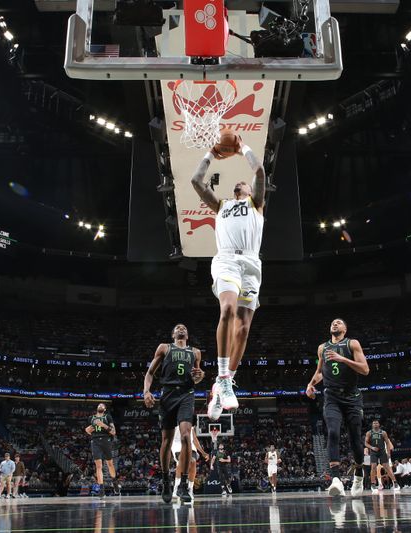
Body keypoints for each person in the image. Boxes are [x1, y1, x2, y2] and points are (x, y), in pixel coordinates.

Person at [190, 136, 266, 420]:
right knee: (228, 310)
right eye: (236, 185)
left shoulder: (257, 204)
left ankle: (223, 386)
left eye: (242, 184)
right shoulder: (221, 205)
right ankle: (223, 378)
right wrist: (210, 153)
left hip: (251, 263)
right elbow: (197, 182)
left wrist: (243, 146)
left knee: (244, 328)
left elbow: (259, 172)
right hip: (226, 261)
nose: (239, 185)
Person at [305, 318, 369, 497]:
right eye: (332, 322)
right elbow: (319, 372)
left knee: (355, 439)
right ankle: (335, 479)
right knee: (332, 432)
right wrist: (310, 384)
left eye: (339, 322)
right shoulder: (322, 348)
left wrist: (342, 359)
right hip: (331, 396)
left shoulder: (352, 344)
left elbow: (365, 369)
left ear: (345, 329)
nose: (335, 324)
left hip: (352, 397)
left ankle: (358, 474)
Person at [143, 323, 204, 504]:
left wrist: (199, 376)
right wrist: (146, 392)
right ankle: (166, 481)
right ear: (173, 334)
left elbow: (198, 376)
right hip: (167, 394)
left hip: (186, 394)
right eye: (177, 327)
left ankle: (183, 483)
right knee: (167, 441)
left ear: (188, 334)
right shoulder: (164, 348)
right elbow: (150, 373)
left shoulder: (196, 352)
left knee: (186, 437)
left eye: (184, 327)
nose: (181, 328)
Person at [85, 403, 117, 497]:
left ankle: (114, 482)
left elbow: (113, 432)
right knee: (98, 466)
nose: (100, 405)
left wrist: (103, 425)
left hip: (106, 440)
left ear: (105, 409)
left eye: (102, 405)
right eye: (99, 405)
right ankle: (101, 489)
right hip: (95, 441)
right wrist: (88, 430)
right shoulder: (91, 418)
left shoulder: (108, 417)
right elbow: (88, 430)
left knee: (110, 464)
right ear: (97, 408)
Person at [171, 424, 209, 503]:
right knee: (181, 460)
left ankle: (190, 489)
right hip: (177, 444)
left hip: (190, 444)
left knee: (193, 461)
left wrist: (203, 452)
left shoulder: (189, 419)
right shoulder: (173, 419)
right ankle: (176, 487)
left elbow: (194, 438)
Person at [365, 420, 400, 493]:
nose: (375, 424)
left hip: (382, 451)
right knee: (373, 467)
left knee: (387, 468)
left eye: (376, 423)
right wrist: (372, 447)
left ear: (379, 424)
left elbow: (387, 443)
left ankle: (395, 483)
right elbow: (366, 443)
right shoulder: (369, 433)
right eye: (374, 423)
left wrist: (388, 453)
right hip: (373, 452)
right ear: (372, 425)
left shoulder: (383, 432)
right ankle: (373, 484)